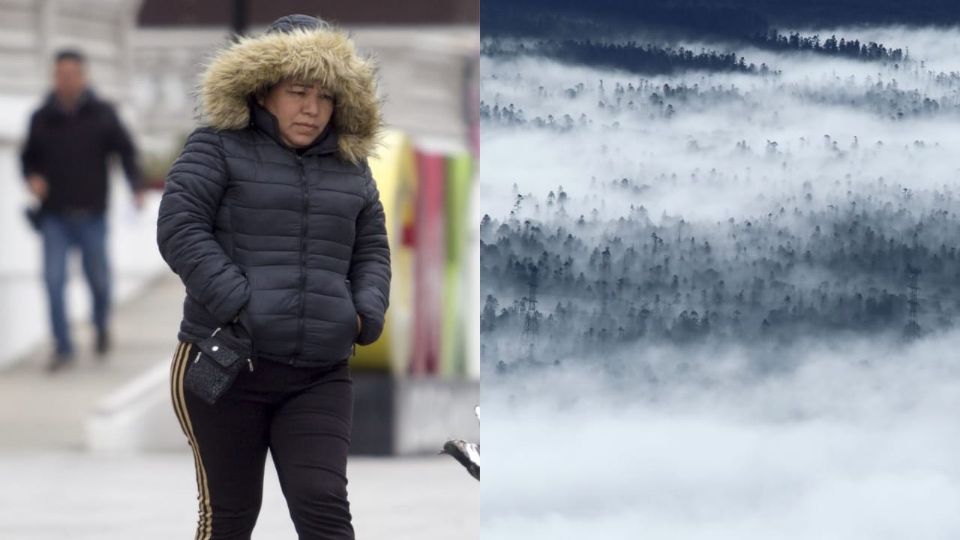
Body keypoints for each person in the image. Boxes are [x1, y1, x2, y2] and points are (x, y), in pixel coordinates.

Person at [157, 14, 391, 539]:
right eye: (298, 92)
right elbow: (179, 227)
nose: (312, 109)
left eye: (325, 96)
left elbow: (372, 246)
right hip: (226, 363)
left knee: (324, 503)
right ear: (263, 93)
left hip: (319, 373)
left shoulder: (351, 166)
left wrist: (363, 313)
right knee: (231, 518)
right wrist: (243, 303)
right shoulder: (215, 146)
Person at [20, 48, 144, 372]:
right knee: (53, 280)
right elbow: (27, 158)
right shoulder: (41, 116)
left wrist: (135, 186)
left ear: (83, 76)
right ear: (54, 77)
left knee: (99, 280)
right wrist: (32, 177)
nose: (66, 80)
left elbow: (126, 152)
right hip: (54, 217)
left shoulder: (103, 113)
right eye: (60, 74)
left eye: (72, 74)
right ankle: (63, 346)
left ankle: (101, 326)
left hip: (92, 214)